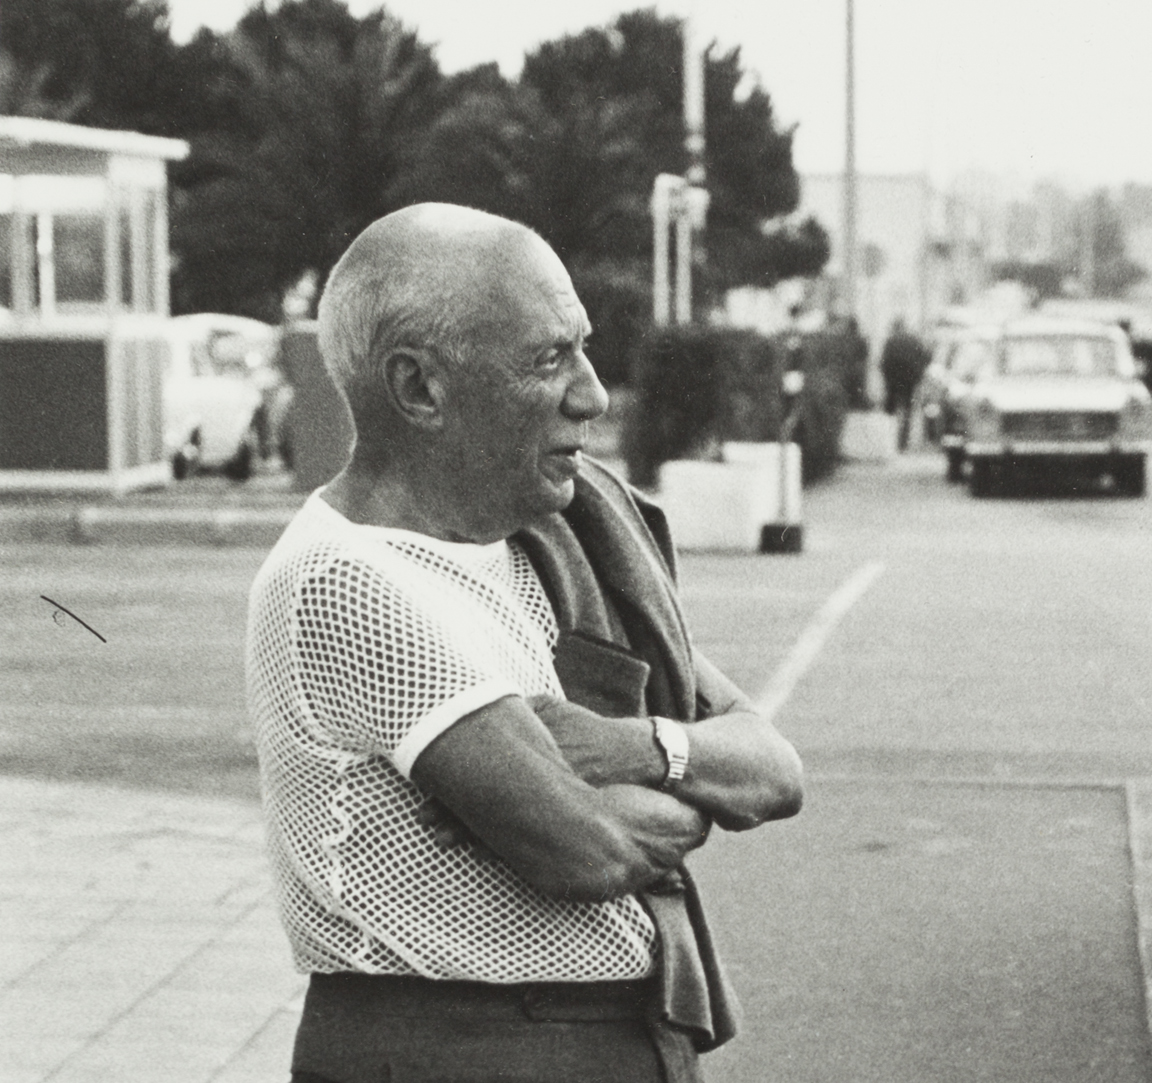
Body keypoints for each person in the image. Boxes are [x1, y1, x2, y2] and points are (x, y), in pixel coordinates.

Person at [246, 203, 803, 1083]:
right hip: (463, 1050)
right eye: (549, 359)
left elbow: (774, 767)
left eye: (581, 348)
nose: (593, 393)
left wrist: (624, 745)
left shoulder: (543, 544)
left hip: (609, 1039)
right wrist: (688, 773)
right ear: (420, 388)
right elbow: (592, 847)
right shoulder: (342, 579)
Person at [879, 319, 931, 449]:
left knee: (890, 410)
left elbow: (884, 361)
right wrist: (918, 374)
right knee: (907, 410)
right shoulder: (914, 340)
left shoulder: (891, 341)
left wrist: (886, 378)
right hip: (910, 381)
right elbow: (925, 357)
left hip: (893, 381)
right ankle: (903, 442)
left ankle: (888, 441)